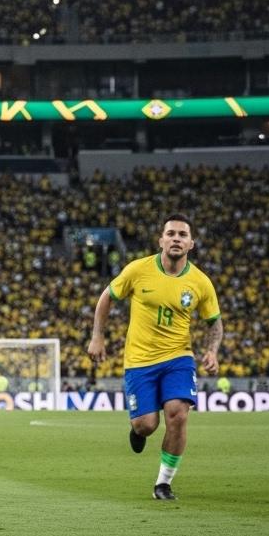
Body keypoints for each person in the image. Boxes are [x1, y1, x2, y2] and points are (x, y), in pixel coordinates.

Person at [88, 214, 222, 502]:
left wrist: (211, 350)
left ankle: (163, 483)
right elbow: (106, 297)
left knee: (178, 415)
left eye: (182, 235)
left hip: (179, 358)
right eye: (170, 233)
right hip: (139, 361)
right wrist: (98, 335)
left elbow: (214, 322)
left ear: (191, 244)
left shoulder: (200, 282)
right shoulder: (138, 270)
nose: (176, 238)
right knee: (146, 425)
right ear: (161, 240)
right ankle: (137, 431)